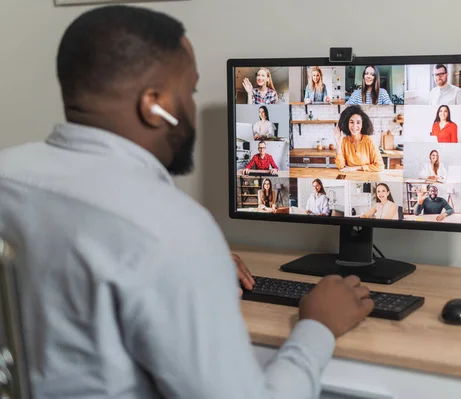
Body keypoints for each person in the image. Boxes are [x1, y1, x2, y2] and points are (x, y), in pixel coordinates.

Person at [0, 6, 374, 399]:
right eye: (190, 91)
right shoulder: (171, 229)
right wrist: (317, 326)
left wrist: (197, 271)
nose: (193, 107)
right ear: (153, 104)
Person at [333, 105, 384, 172]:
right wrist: (338, 144)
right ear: (347, 124)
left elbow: (380, 166)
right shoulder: (344, 141)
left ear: (362, 125)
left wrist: (355, 168)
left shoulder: (369, 141)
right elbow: (341, 166)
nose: (354, 126)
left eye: (358, 122)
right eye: (351, 122)